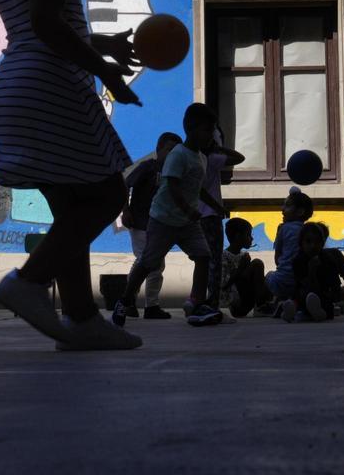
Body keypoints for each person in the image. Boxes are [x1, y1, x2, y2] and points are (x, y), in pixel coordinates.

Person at [0, 0, 143, 351]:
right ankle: (29, 282)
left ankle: (79, 316)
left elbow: (36, 25)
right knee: (109, 195)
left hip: (15, 81)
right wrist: (108, 74)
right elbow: (48, 26)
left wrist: (104, 43)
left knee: (72, 204)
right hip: (51, 82)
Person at [112, 103, 224, 328]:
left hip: (186, 223)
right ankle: (124, 301)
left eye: (212, 131)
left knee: (203, 256)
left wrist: (215, 205)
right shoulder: (178, 155)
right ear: (190, 129)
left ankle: (197, 303)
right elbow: (172, 185)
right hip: (163, 220)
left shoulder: (201, 157)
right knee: (148, 263)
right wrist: (187, 210)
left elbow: (197, 187)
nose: (210, 136)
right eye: (206, 130)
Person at [120, 132, 181, 320]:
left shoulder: (176, 173)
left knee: (146, 263)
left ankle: (129, 302)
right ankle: (150, 305)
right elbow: (125, 184)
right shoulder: (148, 167)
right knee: (150, 263)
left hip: (160, 224)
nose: (172, 155)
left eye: (176, 152)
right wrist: (126, 210)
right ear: (158, 150)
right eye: (169, 150)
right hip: (140, 222)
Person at [198, 126, 245, 308]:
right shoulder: (213, 159)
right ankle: (212, 302)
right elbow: (240, 158)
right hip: (210, 215)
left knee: (201, 260)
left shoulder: (195, 159)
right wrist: (219, 148)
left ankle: (199, 298)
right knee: (214, 260)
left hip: (196, 215)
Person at [282, 222, 341, 322]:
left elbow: (335, 287)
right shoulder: (298, 261)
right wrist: (311, 271)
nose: (313, 246)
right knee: (300, 297)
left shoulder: (328, 261)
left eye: (317, 242)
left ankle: (318, 312)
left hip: (322, 296)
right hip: (303, 295)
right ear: (301, 243)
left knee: (317, 298)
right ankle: (293, 310)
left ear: (322, 243)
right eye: (308, 242)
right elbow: (303, 284)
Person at [265, 188, 314, 308]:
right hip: (303, 282)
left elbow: (277, 258)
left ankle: (269, 305)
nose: (282, 210)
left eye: (287, 206)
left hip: (283, 280)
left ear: (300, 211)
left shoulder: (283, 229)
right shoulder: (309, 230)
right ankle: (293, 303)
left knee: (269, 276)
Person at [220, 217, 270, 318]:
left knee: (271, 278)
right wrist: (241, 268)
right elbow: (223, 284)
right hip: (232, 305)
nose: (251, 239)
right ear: (238, 236)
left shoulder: (244, 255)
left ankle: (263, 305)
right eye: (248, 235)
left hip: (245, 302)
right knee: (257, 263)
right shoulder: (224, 256)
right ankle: (260, 306)